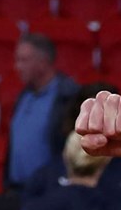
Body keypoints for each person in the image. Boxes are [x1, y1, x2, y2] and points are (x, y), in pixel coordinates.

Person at [8, 31, 79, 192]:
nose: (17, 67)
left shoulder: (67, 96)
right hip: (17, 190)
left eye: (24, 60)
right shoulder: (24, 96)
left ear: (43, 61)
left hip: (51, 190)